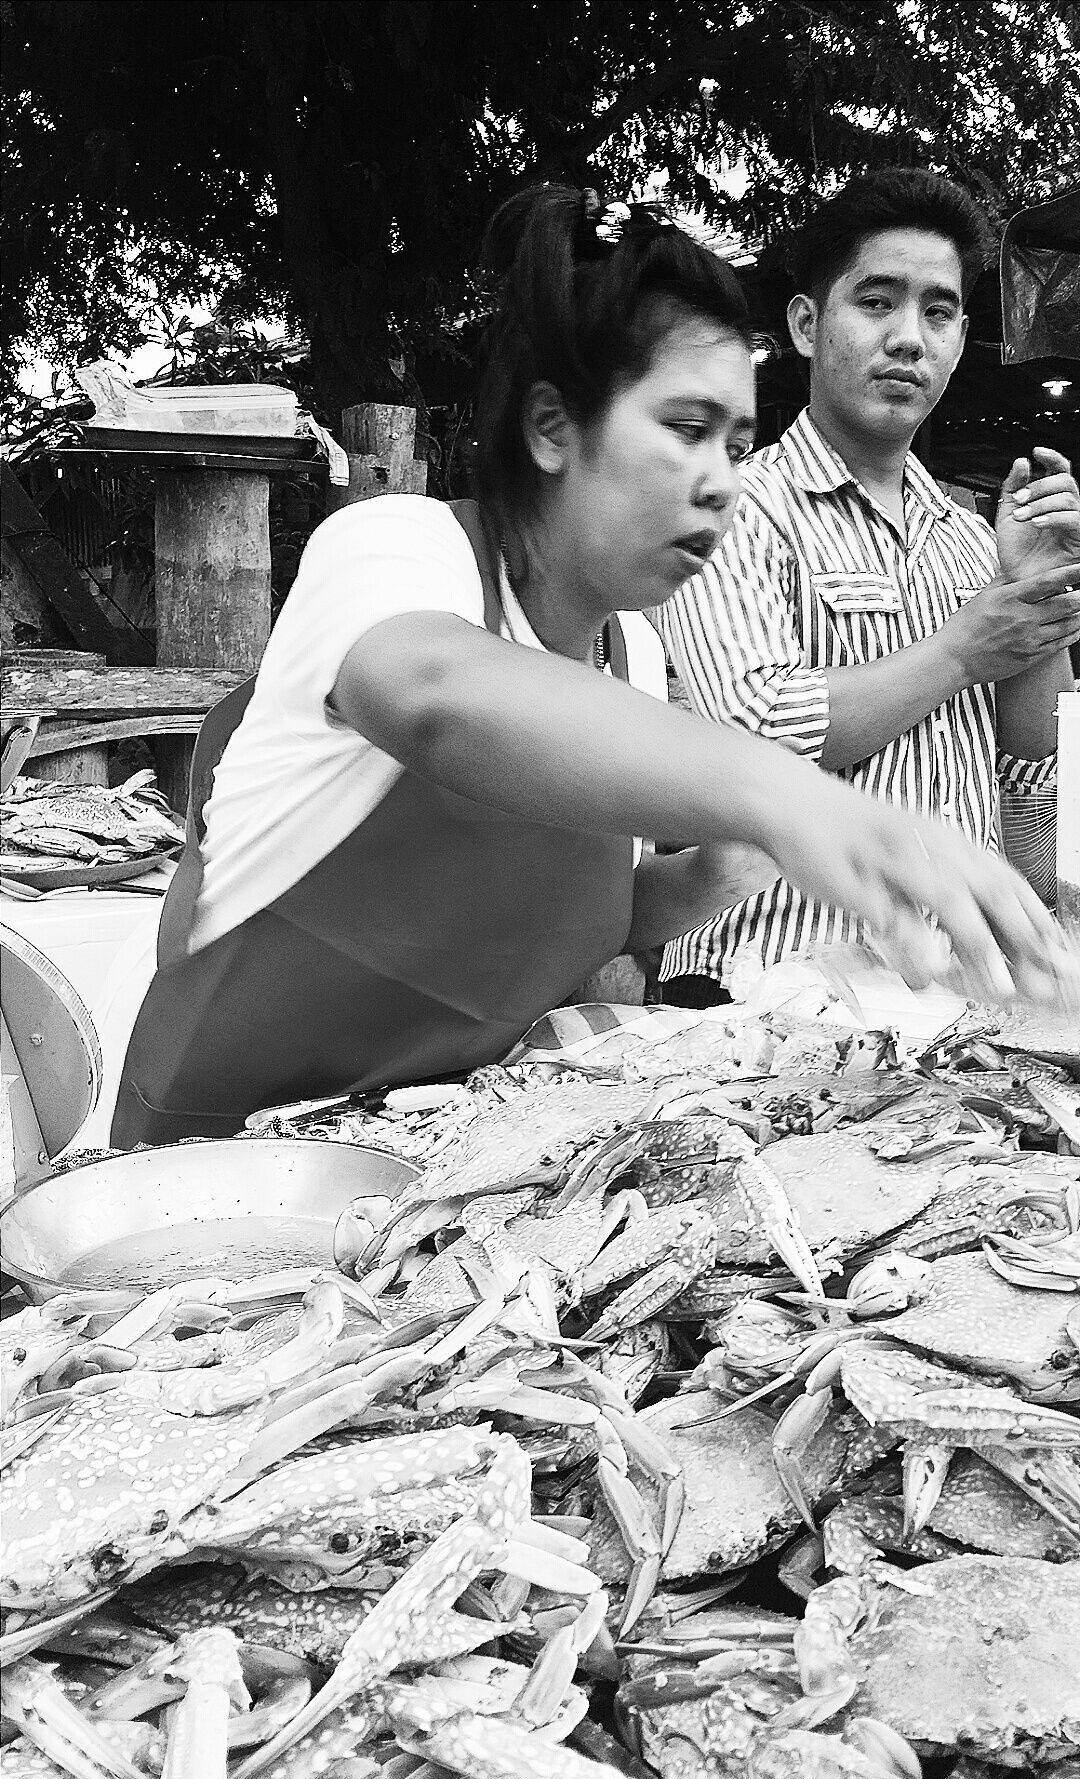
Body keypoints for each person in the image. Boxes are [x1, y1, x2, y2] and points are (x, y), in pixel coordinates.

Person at [111, 184, 1078, 1148]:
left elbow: (597, 915)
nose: (722, 484)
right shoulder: (395, 549)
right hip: (213, 1176)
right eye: (687, 430)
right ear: (553, 429)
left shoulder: (635, 651)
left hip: (432, 1162)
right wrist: (791, 798)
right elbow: (430, 694)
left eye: (738, 445)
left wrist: (729, 869)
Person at [659, 168, 1080, 1005]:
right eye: (877, 301)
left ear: (961, 337)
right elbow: (757, 734)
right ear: (808, 324)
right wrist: (962, 650)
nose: (909, 338)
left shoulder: (968, 535)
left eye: (938, 311)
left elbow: (1032, 792)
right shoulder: (734, 506)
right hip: (760, 988)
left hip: (955, 997)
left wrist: (1033, 597)